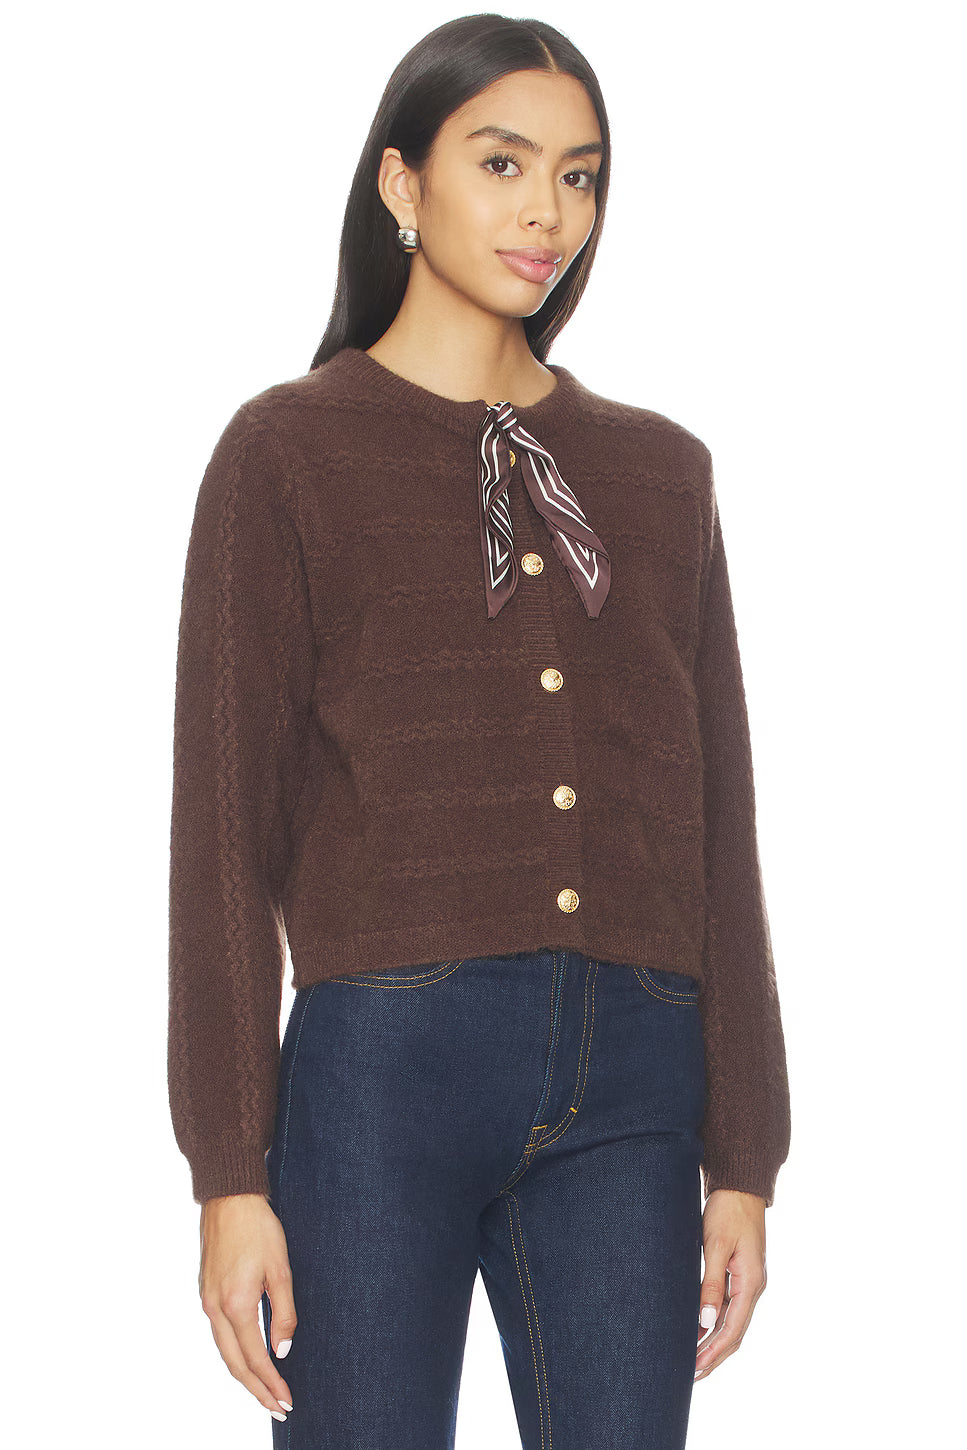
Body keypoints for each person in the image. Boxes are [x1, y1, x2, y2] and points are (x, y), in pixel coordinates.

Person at [167, 14, 791, 1449]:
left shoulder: (660, 472)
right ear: (401, 183)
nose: (545, 213)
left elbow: (720, 823)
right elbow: (222, 835)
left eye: (579, 175)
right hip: (385, 1072)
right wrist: (229, 1171)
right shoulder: (288, 454)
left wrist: (748, 1153)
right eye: (502, 163)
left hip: (636, 1080)